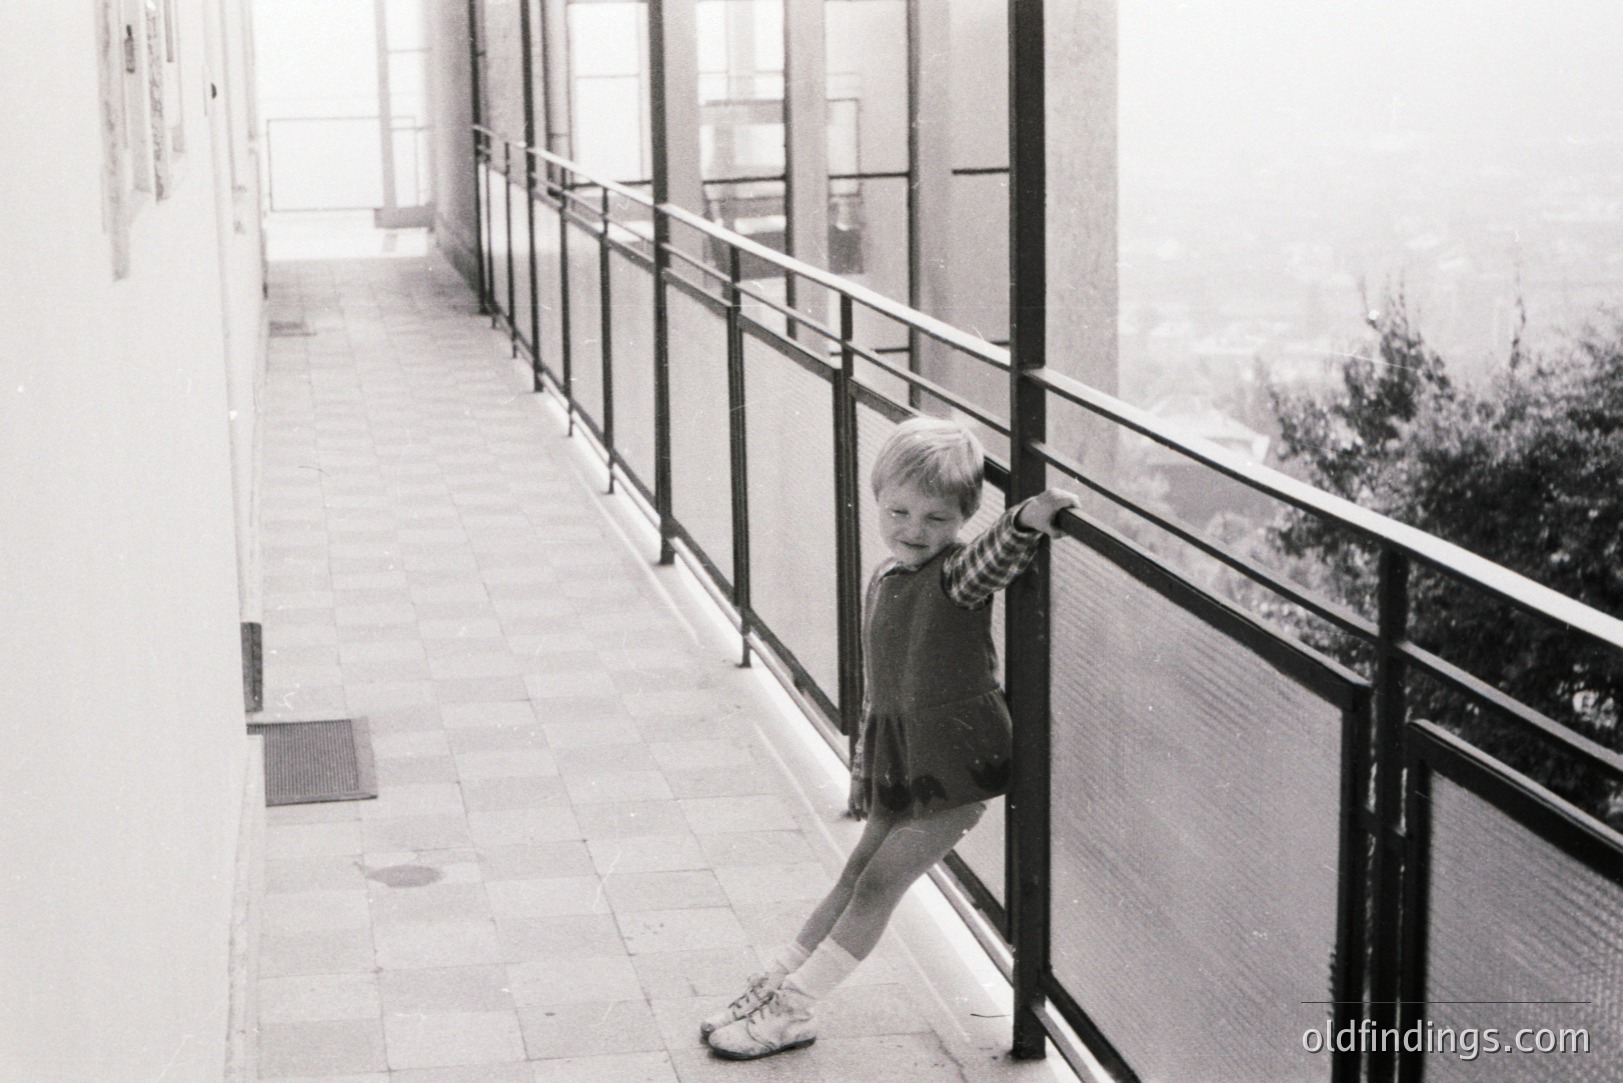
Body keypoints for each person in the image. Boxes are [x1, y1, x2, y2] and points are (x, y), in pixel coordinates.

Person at [701, 415, 1080, 1060]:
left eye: (936, 519)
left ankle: (797, 1007)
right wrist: (862, 766)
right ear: (877, 501)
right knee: (855, 873)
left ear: (961, 519)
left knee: (879, 884)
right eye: (898, 511)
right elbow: (882, 690)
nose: (913, 531)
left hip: (957, 770)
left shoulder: (955, 575)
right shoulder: (887, 576)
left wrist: (1024, 520)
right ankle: (779, 981)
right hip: (903, 763)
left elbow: (993, 556)